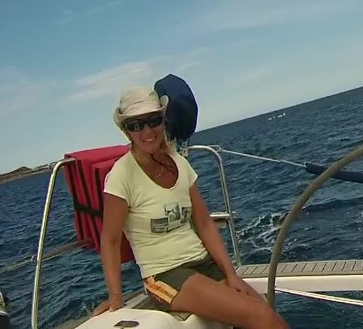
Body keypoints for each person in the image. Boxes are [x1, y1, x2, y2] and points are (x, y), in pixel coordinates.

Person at [93, 86, 288, 329]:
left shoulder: (179, 163)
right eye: (136, 125)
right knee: (260, 318)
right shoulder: (121, 177)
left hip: (202, 262)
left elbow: (204, 223)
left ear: (162, 121)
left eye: (153, 120)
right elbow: (110, 240)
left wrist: (230, 274)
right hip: (165, 274)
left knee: (265, 309)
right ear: (126, 130)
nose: (147, 131)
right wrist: (115, 299)